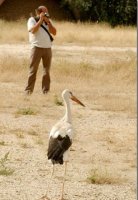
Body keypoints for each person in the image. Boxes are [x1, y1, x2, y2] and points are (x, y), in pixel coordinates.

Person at [25, 5, 57, 95]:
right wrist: (40, 20)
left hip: (47, 48)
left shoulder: (48, 21)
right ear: (39, 12)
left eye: (47, 12)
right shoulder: (32, 20)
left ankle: (46, 91)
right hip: (36, 48)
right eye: (45, 12)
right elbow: (33, 31)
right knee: (33, 70)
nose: (47, 13)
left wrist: (48, 22)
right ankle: (28, 91)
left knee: (46, 71)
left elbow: (54, 32)